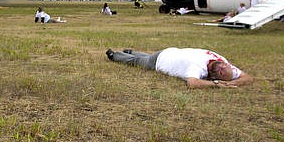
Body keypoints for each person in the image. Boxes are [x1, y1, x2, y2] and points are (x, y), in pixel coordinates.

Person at [105, 47, 254, 89]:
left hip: (168, 54)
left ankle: (130, 51)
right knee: (136, 61)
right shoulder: (198, 67)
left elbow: (248, 78)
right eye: (224, 66)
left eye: (222, 73)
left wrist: (231, 83)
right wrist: (219, 84)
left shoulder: (216, 61)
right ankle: (115, 56)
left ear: (214, 75)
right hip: (161, 59)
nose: (222, 67)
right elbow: (193, 83)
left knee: (144, 57)